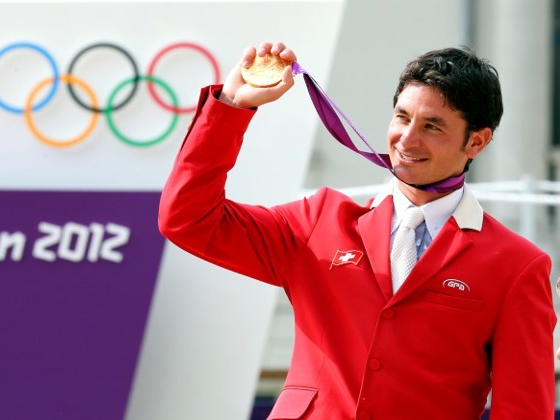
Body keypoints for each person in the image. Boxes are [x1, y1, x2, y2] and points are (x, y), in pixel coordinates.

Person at [158, 41, 557, 419]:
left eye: (433, 126)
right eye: (402, 117)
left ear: (477, 142)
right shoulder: (318, 220)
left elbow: (523, 409)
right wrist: (231, 107)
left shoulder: (517, 266)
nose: (407, 138)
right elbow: (187, 219)